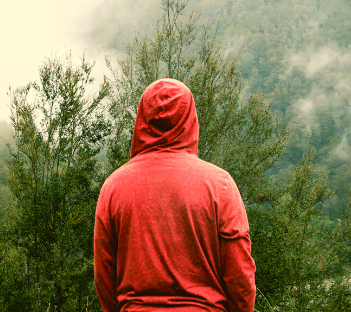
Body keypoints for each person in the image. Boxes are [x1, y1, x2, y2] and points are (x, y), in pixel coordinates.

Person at [94, 78, 256, 312]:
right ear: (190, 119)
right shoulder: (219, 184)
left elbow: (104, 277)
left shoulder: (114, 187)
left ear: (143, 119)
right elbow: (240, 275)